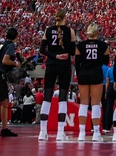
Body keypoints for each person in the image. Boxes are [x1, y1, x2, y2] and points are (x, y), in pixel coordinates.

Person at [39, 9, 76, 142]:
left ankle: (42, 131)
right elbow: (72, 51)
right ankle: (60, 132)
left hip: (51, 64)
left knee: (47, 97)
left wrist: (55, 55)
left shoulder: (48, 30)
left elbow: (42, 50)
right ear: (65, 18)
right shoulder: (70, 31)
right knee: (62, 97)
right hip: (64, 65)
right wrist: (63, 53)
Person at [75, 22, 109, 141]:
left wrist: (80, 74)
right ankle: (96, 133)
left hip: (83, 73)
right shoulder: (103, 45)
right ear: (97, 33)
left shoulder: (80, 46)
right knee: (95, 103)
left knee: (83, 103)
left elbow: (77, 63)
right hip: (96, 73)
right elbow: (105, 62)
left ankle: (81, 133)